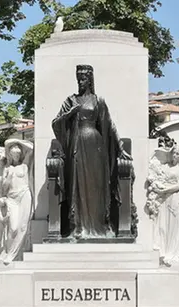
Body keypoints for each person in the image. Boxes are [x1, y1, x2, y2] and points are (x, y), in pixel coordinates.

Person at [52, 64, 130, 238]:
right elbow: (56, 123)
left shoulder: (97, 101)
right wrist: (69, 114)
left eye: (83, 78)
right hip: (76, 145)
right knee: (77, 183)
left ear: (90, 80)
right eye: (78, 78)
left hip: (95, 145)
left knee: (96, 184)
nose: (80, 81)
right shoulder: (70, 100)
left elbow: (109, 126)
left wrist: (120, 147)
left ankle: (98, 225)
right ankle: (77, 226)